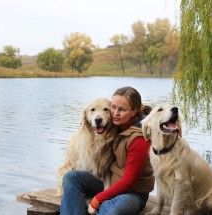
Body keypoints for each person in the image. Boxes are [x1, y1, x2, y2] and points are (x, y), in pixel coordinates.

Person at [60, 86, 155, 215]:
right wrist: (86, 122)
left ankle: (87, 203)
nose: (115, 113)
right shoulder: (117, 125)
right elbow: (94, 119)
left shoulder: (139, 138)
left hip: (133, 192)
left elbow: (129, 181)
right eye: (113, 107)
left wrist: (97, 199)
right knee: (71, 177)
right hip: (110, 183)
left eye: (122, 109)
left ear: (133, 112)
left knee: (111, 210)